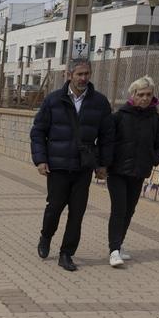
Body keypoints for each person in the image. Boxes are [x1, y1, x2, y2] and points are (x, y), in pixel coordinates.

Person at [30, 59, 114, 272]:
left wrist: (102, 164)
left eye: (87, 74)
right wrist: (40, 160)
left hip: (82, 167)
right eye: (79, 74)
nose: (84, 78)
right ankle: (46, 236)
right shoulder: (53, 100)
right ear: (69, 75)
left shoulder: (100, 103)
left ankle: (66, 253)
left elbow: (107, 136)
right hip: (57, 166)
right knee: (54, 208)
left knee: (77, 213)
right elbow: (38, 131)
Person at [106, 75, 159, 267]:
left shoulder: (156, 120)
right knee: (119, 209)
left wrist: (154, 158)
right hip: (117, 171)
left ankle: (119, 244)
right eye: (141, 94)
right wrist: (105, 164)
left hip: (139, 171)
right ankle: (114, 250)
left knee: (129, 210)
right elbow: (108, 142)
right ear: (133, 94)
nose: (145, 98)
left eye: (149, 94)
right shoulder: (119, 117)